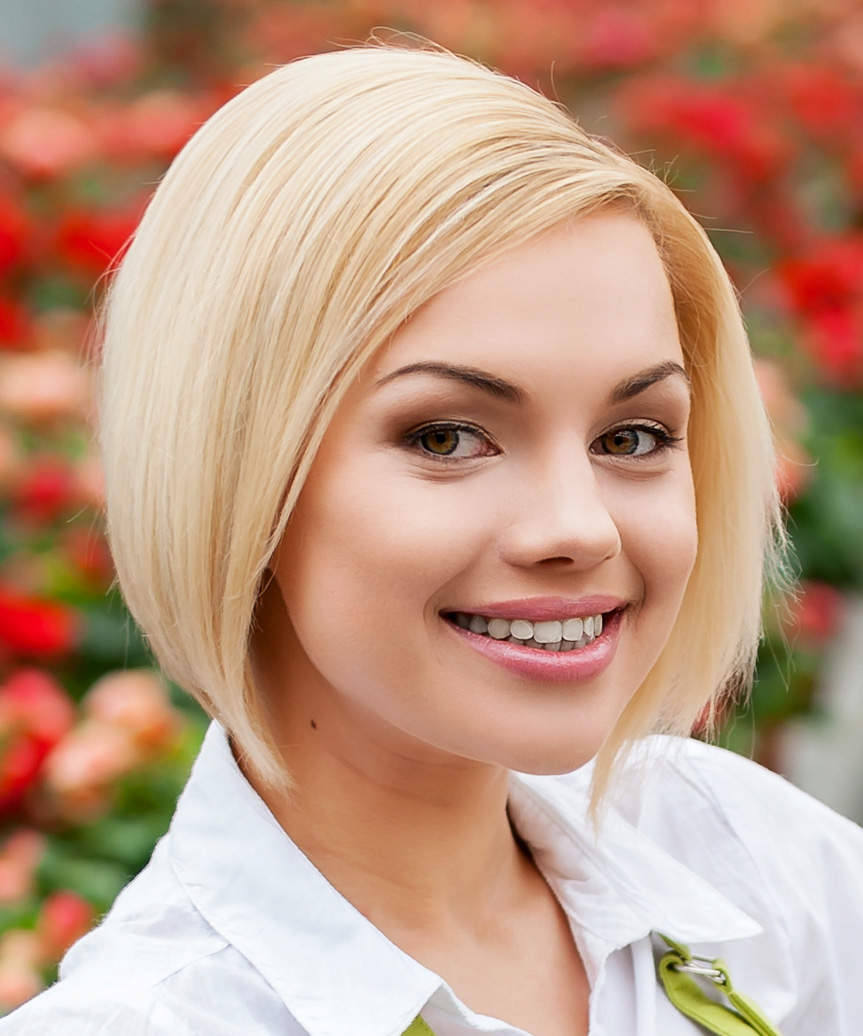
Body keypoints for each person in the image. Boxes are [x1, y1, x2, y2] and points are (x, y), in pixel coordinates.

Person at [3, 40, 861, 1036]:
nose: (575, 527)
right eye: (446, 436)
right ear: (236, 471)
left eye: (631, 436)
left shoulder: (755, 864)